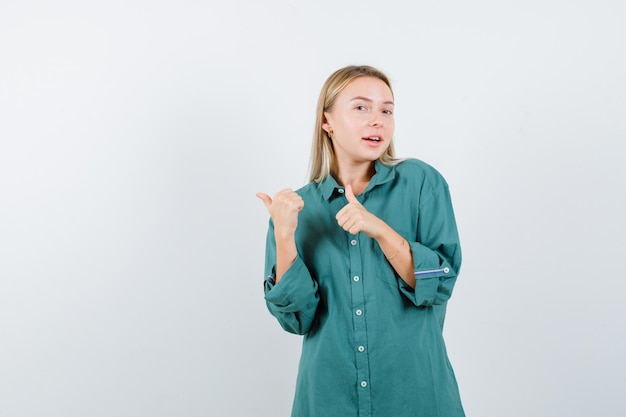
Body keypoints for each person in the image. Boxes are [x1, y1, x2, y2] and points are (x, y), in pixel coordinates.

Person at [256, 65, 465, 417]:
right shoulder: (296, 209)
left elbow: (440, 283)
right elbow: (297, 321)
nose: (377, 120)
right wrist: (284, 234)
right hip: (328, 399)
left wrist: (381, 230)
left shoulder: (421, 183)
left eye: (386, 110)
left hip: (416, 396)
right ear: (327, 122)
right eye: (361, 107)